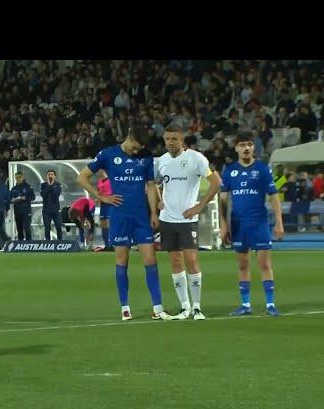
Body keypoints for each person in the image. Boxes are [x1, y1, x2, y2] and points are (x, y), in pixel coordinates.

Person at [77, 125, 170, 321]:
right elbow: (82, 177)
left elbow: (151, 186)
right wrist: (100, 195)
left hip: (141, 217)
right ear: (128, 136)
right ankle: (125, 308)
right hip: (119, 217)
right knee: (122, 261)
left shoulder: (146, 156)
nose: (137, 152)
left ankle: (158, 307)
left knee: (151, 260)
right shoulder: (108, 154)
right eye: (135, 147)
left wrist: (153, 212)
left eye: (139, 149)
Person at [156, 125, 222, 320]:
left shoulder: (196, 159)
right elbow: (151, 183)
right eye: (167, 139)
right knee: (175, 261)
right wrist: (158, 201)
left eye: (173, 139)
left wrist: (199, 206)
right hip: (167, 219)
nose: (169, 142)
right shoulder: (162, 161)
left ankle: (197, 307)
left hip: (187, 219)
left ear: (182, 140)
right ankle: (185, 306)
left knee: (191, 260)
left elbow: (216, 183)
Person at [219, 129, 284, 316]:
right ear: (236, 148)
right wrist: (224, 225)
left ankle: (270, 304)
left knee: (264, 264)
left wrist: (279, 222)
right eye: (242, 145)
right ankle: (246, 305)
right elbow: (223, 200)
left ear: (253, 146)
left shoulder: (262, 169)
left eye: (249, 144)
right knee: (243, 265)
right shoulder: (230, 172)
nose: (246, 148)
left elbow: (274, 197)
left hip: (260, 222)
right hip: (239, 224)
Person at [10, 171, 35, 240]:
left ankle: (29, 244)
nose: (18, 179)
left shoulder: (28, 187)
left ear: (23, 177)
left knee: (27, 228)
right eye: (17, 178)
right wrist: (13, 200)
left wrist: (25, 198)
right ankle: (21, 244)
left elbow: (33, 197)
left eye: (20, 177)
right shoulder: (14, 188)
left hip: (26, 211)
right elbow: (10, 199)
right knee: (19, 229)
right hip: (17, 211)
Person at [40, 170, 62, 240]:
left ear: (54, 176)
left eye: (52, 174)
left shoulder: (58, 185)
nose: (50, 176)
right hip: (46, 210)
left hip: (56, 209)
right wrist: (49, 186)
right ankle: (48, 243)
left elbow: (56, 194)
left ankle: (60, 242)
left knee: (58, 226)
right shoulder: (43, 185)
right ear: (46, 176)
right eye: (49, 174)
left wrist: (52, 185)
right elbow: (43, 194)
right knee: (47, 227)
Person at [97, 170, 114, 251]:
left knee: (108, 223)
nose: (98, 172)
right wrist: (98, 198)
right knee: (103, 224)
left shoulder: (111, 180)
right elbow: (98, 192)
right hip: (102, 204)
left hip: (109, 203)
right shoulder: (99, 181)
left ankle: (111, 244)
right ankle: (106, 244)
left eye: (100, 170)